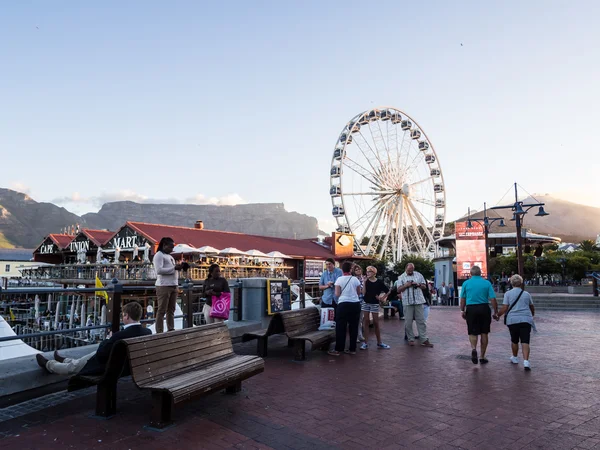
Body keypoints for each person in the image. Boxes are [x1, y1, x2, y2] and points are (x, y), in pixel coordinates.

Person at [36, 302, 151, 376]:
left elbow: (101, 353)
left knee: (73, 368)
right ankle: (65, 359)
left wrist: (108, 338)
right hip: (125, 367)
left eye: (123, 315)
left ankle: (49, 364)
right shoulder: (147, 332)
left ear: (126, 316)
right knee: (86, 357)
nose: (122, 317)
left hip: (106, 366)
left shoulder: (119, 335)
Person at [460, 265, 498, 364]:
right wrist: (496, 311)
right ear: (480, 273)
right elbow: (493, 299)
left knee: (472, 332)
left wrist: (462, 310)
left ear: (471, 274)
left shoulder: (466, 283)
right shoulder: (487, 283)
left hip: (471, 308)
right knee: (484, 332)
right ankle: (482, 356)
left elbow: (463, 298)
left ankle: (473, 349)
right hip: (484, 308)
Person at [497, 274, 535, 371]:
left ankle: (515, 357)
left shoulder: (508, 294)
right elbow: (531, 307)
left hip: (512, 320)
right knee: (525, 340)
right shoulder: (526, 294)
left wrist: (498, 315)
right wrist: (531, 315)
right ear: (521, 283)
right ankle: (526, 361)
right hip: (525, 319)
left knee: (514, 340)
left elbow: (505, 307)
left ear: (511, 283)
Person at [328, 261, 362, 356]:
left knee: (340, 327)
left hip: (343, 304)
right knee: (353, 326)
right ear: (350, 270)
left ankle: (339, 349)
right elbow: (359, 292)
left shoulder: (339, 280)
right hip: (355, 304)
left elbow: (337, 294)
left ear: (342, 270)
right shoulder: (355, 279)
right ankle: (352, 349)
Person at [396, 263, 433, 347]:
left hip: (418, 301)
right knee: (408, 322)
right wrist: (406, 285)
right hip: (407, 302)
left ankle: (424, 339)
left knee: (421, 321)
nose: (410, 271)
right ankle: (410, 339)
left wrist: (418, 285)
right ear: (406, 269)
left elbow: (424, 286)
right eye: (409, 270)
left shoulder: (419, 275)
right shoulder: (401, 277)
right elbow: (398, 290)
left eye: (412, 270)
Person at [153, 237, 183, 333]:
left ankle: (171, 329)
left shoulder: (169, 256)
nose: (172, 249)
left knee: (171, 310)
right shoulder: (159, 255)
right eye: (170, 247)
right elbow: (159, 270)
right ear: (164, 245)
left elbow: (171, 269)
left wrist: (178, 267)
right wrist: (174, 268)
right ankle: (159, 331)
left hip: (173, 285)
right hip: (163, 286)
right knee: (162, 310)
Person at [360, 266, 390, 350]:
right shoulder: (366, 281)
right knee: (366, 322)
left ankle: (379, 342)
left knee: (376, 322)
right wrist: (364, 282)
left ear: (374, 273)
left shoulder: (379, 282)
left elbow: (388, 291)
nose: (367, 273)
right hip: (366, 302)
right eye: (367, 271)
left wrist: (382, 298)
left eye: (369, 271)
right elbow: (363, 293)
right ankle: (365, 342)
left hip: (374, 303)